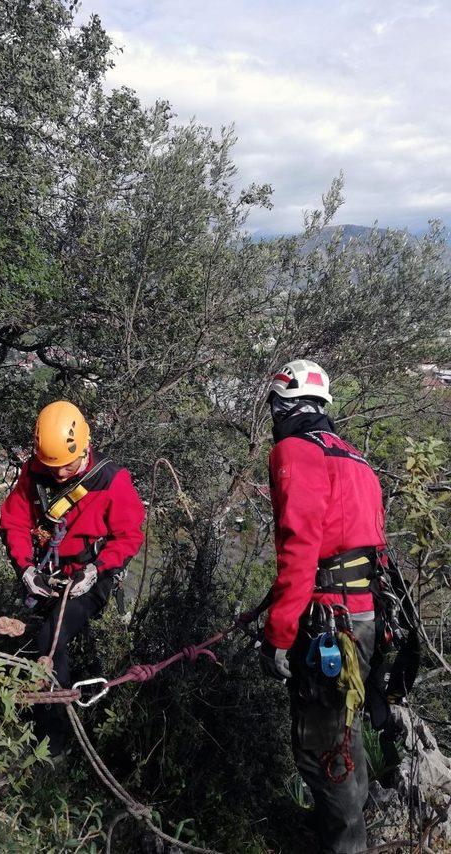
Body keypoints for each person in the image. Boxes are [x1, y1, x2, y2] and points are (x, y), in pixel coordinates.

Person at [257, 359, 386, 854]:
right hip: (365, 615)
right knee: (343, 733)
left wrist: (278, 634)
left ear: (279, 406)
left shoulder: (294, 450)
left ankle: (344, 844)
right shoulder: (355, 457)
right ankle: (341, 833)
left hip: (328, 620)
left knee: (319, 747)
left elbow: (299, 547)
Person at [0, 400, 145, 754]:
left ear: (85, 447)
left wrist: (98, 569)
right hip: (49, 572)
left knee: (52, 639)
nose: (61, 475)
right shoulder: (35, 473)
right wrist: (26, 569)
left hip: (93, 575)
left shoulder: (111, 480)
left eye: (66, 466)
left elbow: (128, 536)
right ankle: (45, 709)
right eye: (54, 467)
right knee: (42, 638)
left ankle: (53, 737)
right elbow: (15, 523)